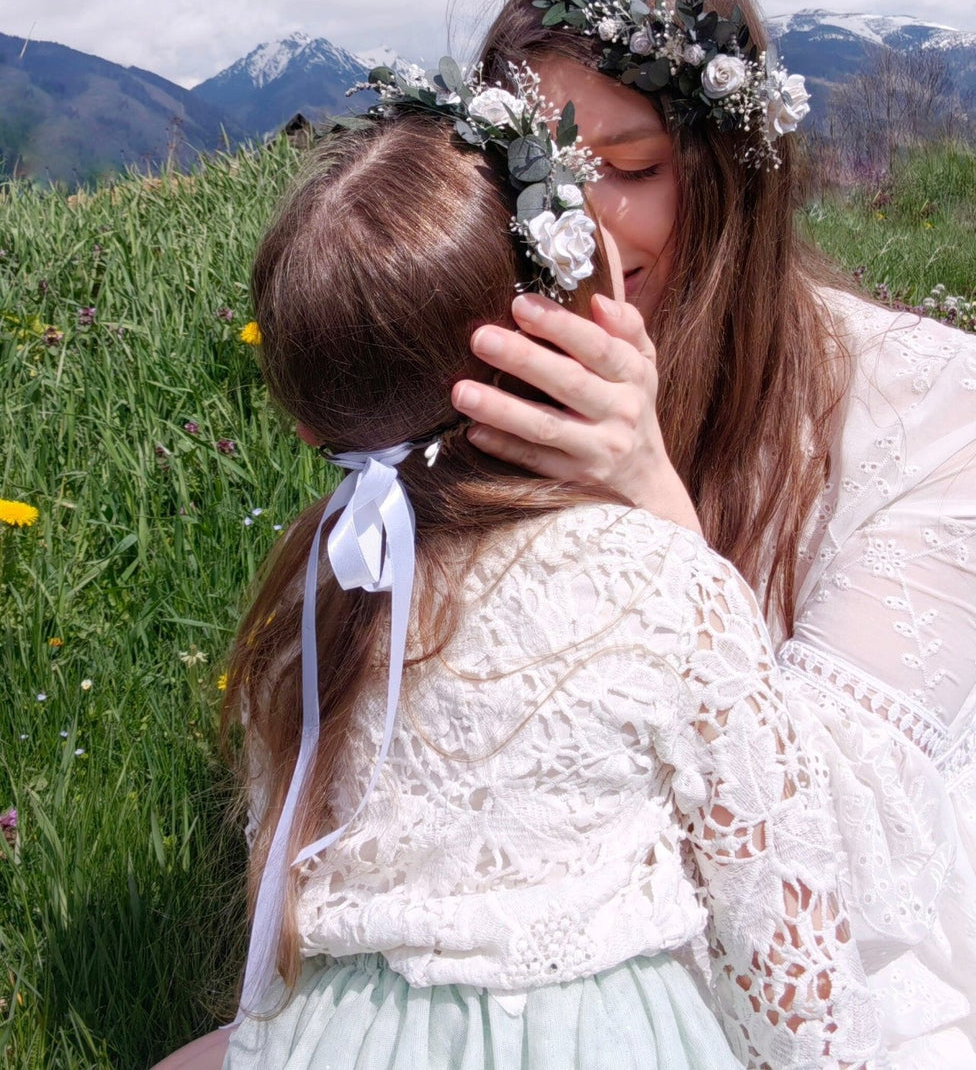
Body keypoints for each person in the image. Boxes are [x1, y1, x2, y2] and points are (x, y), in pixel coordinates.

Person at [454, 0, 976, 1070]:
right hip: (574, 909)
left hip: (877, 954)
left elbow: (834, 853)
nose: (578, 229)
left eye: (635, 171)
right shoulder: (499, 381)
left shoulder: (953, 408)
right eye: (534, 173)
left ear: (736, 172)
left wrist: (644, 491)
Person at [217, 80, 889, 1070]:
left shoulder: (320, 589)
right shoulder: (664, 586)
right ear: (557, 330)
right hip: (598, 1036)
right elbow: (777, 908)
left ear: (310, 420)